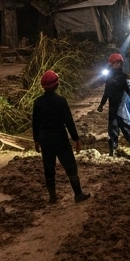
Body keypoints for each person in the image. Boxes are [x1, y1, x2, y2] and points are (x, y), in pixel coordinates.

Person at [32, 71, 90, 203]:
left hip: (45, 139)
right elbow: (69, 122)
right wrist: (76, 139)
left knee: (49, 167)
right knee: (70, 166)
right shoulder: (61, 101)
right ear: (57, 85)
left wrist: (36, 140)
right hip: (60, 138)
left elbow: (35, 123)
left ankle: (52, 197)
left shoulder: (38, 102)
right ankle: (78, 194)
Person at [97, 52, 130, 157]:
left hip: (122, 107)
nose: (116, 65)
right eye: (114, 63)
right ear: (111, 64)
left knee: (126, 129)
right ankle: (112, 151)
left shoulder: (124, 77)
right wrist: (101, 105)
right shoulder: (109, 77)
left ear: (121, 64)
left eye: (118, 63)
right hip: (113, 107)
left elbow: (129, 91)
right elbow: (106, 92)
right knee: (112, 130)